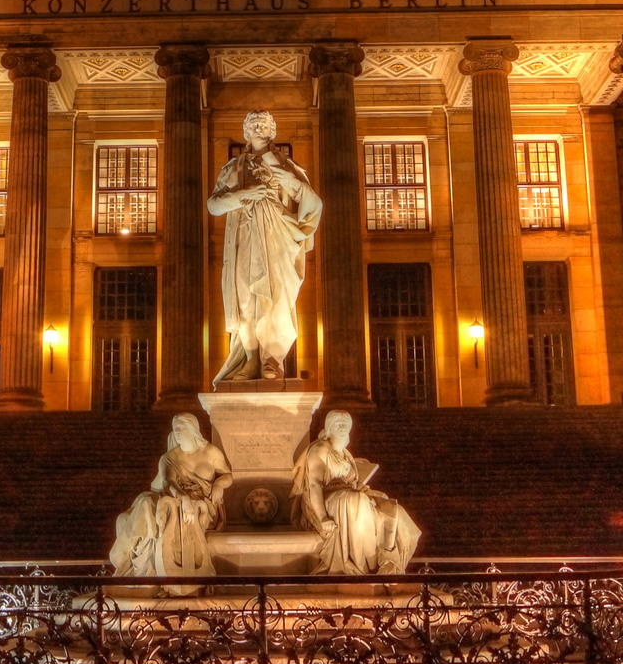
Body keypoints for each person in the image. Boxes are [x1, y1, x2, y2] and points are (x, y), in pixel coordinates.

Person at [207, 111, 322, 382]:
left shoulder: (289, 167)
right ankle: (250, 360)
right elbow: (213, 205)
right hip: (244, 239)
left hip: (278, 237)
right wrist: (242, 194)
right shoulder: (233, 168)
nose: (259, 128)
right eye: (254, 125)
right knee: (246, 300)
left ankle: (271, 359)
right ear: (246, 132)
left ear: (272, 132)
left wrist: (290, 183)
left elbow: (313, 203)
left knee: (277, 300)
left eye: (264, 125)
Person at [290, 410, 421, 575]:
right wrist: (323, 518)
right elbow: (314, 486)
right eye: (339, 424)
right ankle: (362, 566)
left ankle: (388, 561)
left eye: (346, 424)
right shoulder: (320, 450)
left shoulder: (345, 453)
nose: (343, 427)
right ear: (329, 427)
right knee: (356, 501)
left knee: (391, 508)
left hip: (346, 495)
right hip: (324, 500)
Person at [110, 414, 233, 588]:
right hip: (176, 497)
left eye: (181, 428)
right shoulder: (169, 457)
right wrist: (183, 499)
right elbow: (168, 482)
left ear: (192, 428)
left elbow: (227, 474)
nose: (176, 432)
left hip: (203, 502)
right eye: (175, 428)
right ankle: (130, 564)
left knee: (158, 508)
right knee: (144, 506)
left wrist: (219, 485)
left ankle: (134, 565)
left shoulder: (211, 452)